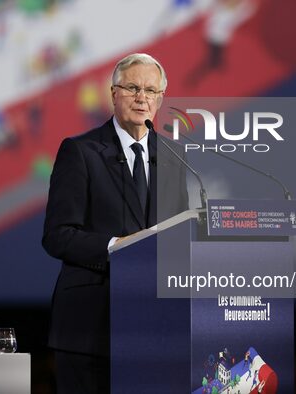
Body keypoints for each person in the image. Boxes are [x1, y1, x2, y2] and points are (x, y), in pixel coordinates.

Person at [42, 53, 189, 394]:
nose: (142, 98)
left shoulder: (174, 158)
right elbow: (57, 235)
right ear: (113, 93)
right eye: (133, 87)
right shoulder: (81, 152)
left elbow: (178, 236)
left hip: (153, 328)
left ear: (160, 100)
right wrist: (116, 248)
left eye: (151, 91)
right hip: (90, 327)